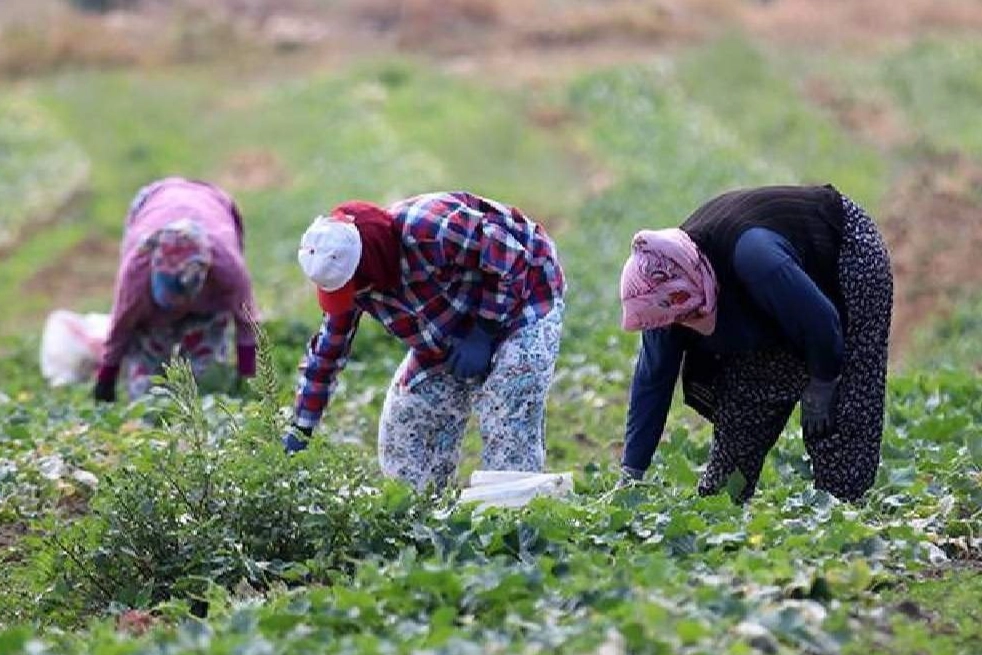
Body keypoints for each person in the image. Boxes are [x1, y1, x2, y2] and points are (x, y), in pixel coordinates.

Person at [618, 184, 892, 502]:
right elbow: (653, 381)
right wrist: (631, 473)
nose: (682, 325)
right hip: (766, 294)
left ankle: (844, 508)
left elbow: (821, 322)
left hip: (844, 253)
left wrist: (822, 383)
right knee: (745, 404)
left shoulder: (756, 260)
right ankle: (723, 506)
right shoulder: (661, 296)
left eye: (687, 316)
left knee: (841, 408)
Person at [283, 191, 566, 491]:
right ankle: (425, 522)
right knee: (407, 423)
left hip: (524, 299)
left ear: (371, 263)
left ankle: (515, 520)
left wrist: (483, 329)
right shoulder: (353, 282)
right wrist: (302, 427)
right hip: (448, 327)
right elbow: (329, 351)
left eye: (353, 287)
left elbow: (512, 258)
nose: (352, 296)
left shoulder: (432, 228)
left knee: (507, 410)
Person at [93, 177, 258, 402]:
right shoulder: (137, 270)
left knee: (205, 385)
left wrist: (247, 376)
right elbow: (122, 324)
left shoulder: (227, 268)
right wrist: (106, 378)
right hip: (154, 201)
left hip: (214, 204)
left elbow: (246, 321)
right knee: (145, 394)